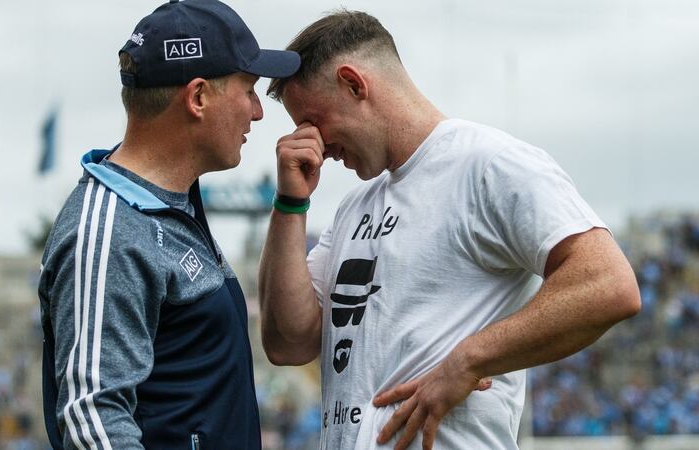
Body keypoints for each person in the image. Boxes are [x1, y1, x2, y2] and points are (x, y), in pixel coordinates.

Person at [258, 10, 641, 450]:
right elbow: (288, 344)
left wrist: (468, 359)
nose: (314, 143)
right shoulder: (353, 208)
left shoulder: (489, 163)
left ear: (354, 84)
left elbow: (609, 284)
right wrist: (290, 204)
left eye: (312, 120)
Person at [37, 1, 299, 448]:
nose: (258, 111)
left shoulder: (171, 204)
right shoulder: (110, 227)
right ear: (197, 98)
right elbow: (94, 422)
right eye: (249, 89)